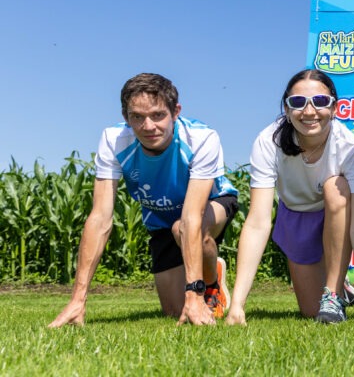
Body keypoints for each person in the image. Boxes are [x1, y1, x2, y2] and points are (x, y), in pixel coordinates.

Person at [49, 73, 239, 327]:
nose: (148, 126)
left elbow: (192, 216)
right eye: (137, 117)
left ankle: (210, 284)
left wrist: (194, 294)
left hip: (212, 204)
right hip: (161, 218)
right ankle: (206, 273)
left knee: (182, 228)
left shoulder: (202, 138)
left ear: (175, 112)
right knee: (172, 311)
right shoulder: (113, 141)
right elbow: (99, 218)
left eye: (158, 115)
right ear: (126, 117)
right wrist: (77, 299)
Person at [226, 69, 354, 325]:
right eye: (298, 102)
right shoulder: (268, 141)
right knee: (309, 311)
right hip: (297, 215)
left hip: (339, 208)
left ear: (335, 107)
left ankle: (333, 292)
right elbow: (257, 222)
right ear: (286, 109)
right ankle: (343, 288)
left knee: (335, 187)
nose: (309, 111)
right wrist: (237, 305)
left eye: (320, 101)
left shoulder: (351, 148)